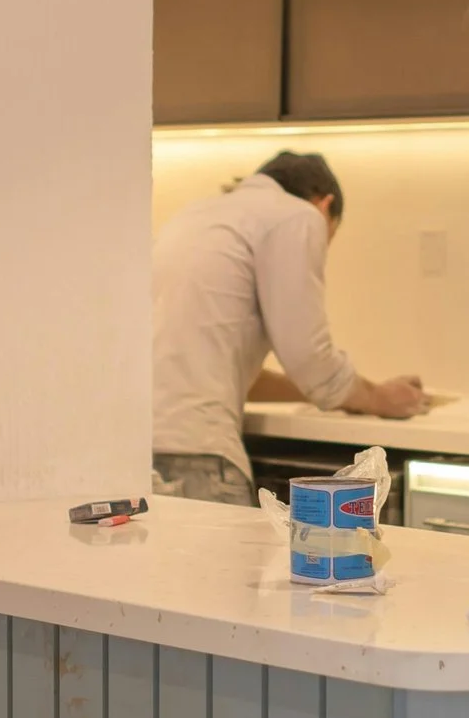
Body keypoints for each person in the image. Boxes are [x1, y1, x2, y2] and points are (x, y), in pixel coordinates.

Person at [150, 148, 426, 505]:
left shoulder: (195, 216)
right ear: (324, 206)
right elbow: (311, 361)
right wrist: (379, 398)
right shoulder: (297, 216)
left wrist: (344, 395)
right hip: (201, 461)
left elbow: (230, 371)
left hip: (141, 453)